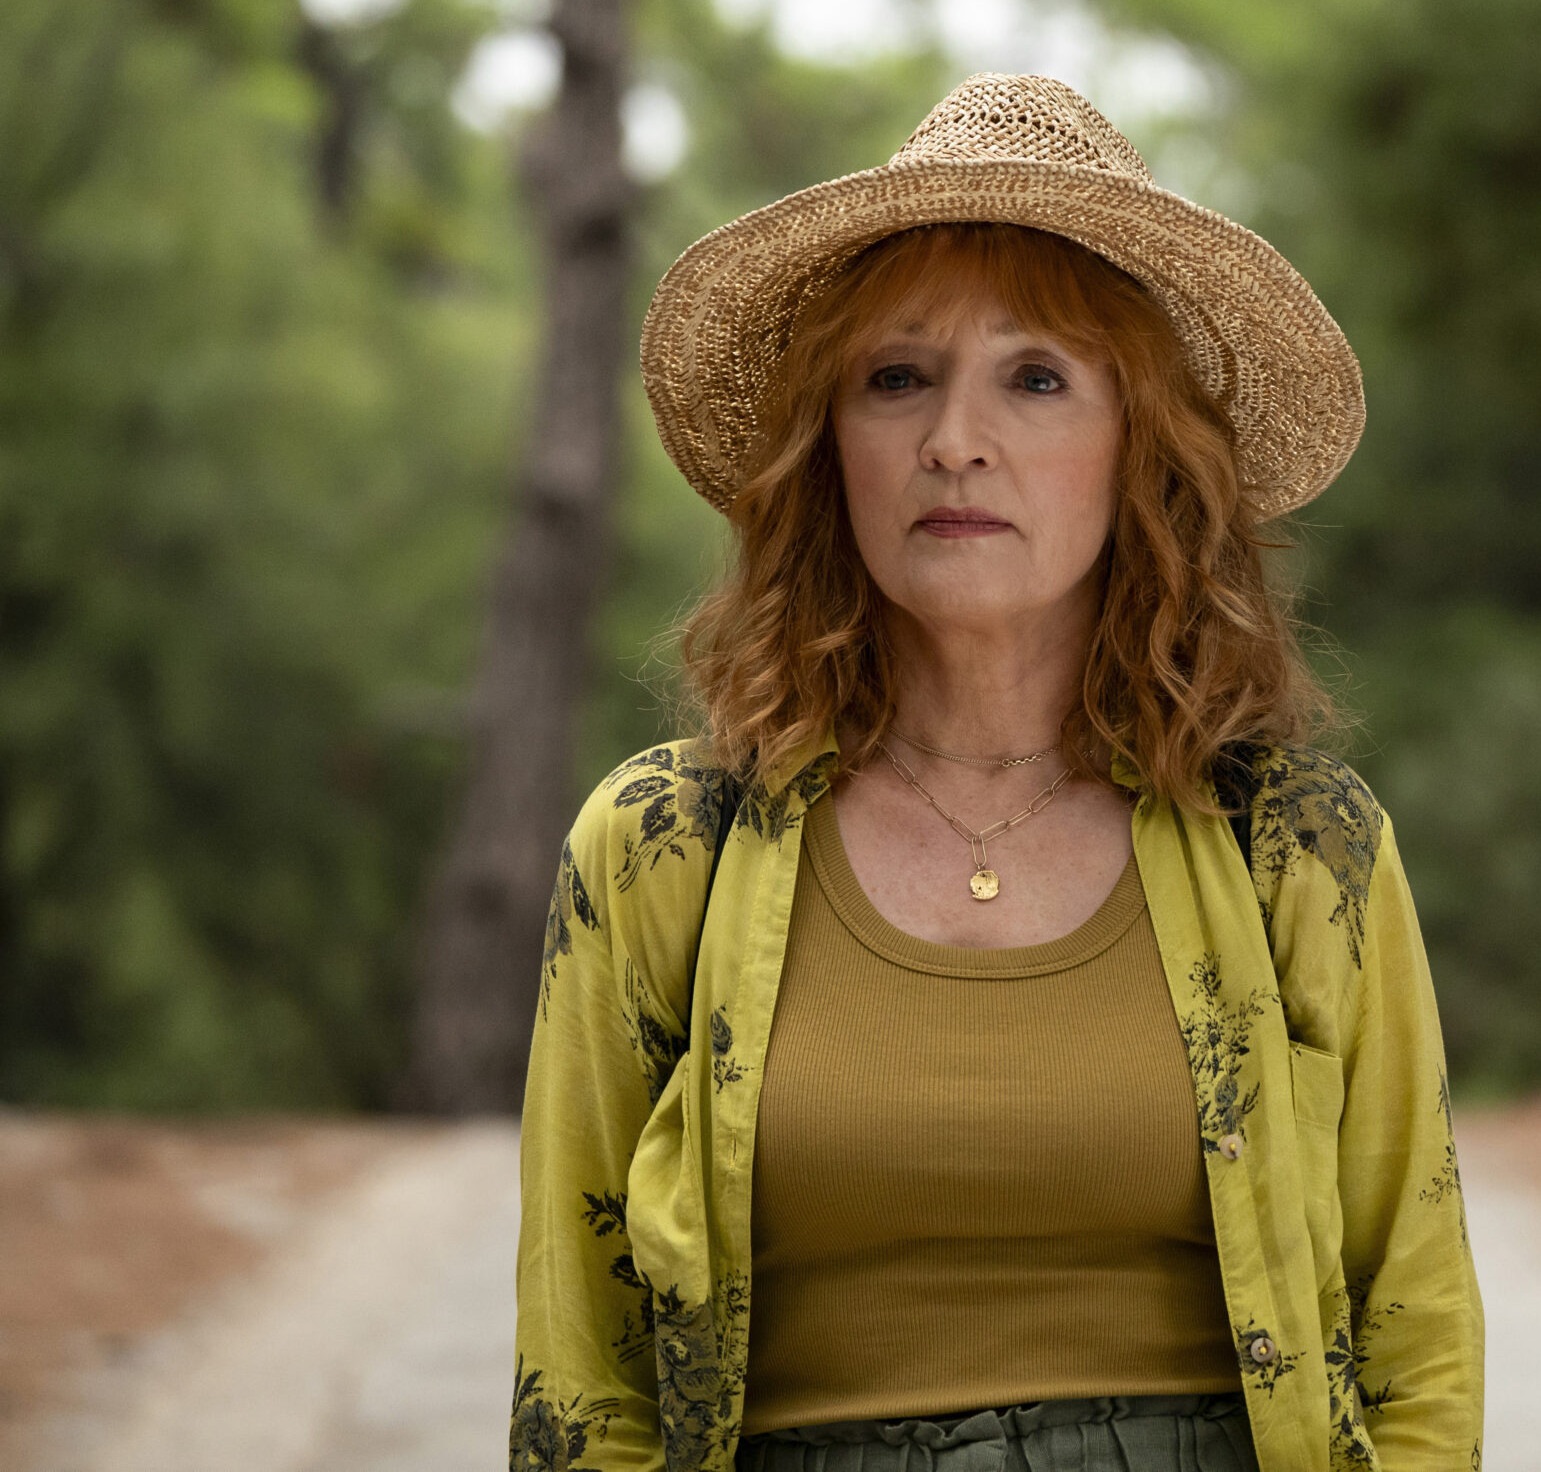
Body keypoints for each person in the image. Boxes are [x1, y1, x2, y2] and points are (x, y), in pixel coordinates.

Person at [512, 74, 1483, 1472]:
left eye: (1036, 379)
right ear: (828, 448)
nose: (952, 438)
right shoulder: (666, 850)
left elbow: (1421, 1343)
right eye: (896, 378)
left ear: (1138, 451)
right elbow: (580, 1387)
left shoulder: (1297, 847)